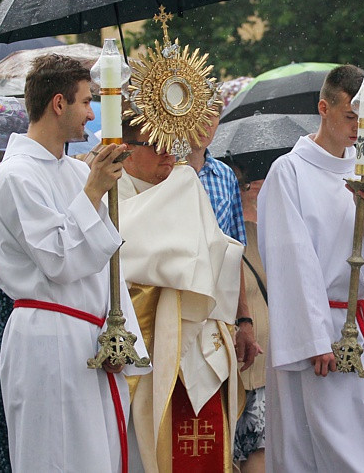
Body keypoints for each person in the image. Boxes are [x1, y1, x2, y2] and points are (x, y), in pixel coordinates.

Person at [0, 54, 149, 472]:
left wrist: (121, 335)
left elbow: (108, 261)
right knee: (56, 458)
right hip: (47, 337)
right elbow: (58, 261)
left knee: (99, 459)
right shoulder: (16, 176)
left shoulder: (76, 174)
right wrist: (93, 192)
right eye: (86, 102)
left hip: (92, 342)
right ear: (58, 104)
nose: (92, 114)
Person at [258, 64, 364, 472]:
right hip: (315, 334)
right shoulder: (290, 171)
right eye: (351, 117)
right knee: (318, 449)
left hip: (358, 327)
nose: (358, 129)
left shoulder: (363, 173)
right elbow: (290, 259)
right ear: (324, 108)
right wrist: (313, 338)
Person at [117, 119, 244, 472]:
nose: (167, 155)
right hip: (136, 339)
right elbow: (121, 250)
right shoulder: (113, 192)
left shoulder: (186, 185)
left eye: (170, 145)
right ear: (126, 149)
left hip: (191, 336)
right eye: (155, 145)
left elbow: (220, 250)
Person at [188, 111, 261, 370]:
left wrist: (245, 319)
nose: (205, 123)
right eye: (199, 113)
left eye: (212, 116)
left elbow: (235, 254)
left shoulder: (225, 176)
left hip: (218, 304)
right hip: (176, 299)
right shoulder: (163, 169)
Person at [226, 161, 269, 473]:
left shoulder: (260, 234)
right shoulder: (239, 239)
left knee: (253, 449)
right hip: (241, 361)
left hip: (256, 363)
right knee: (245, 450)